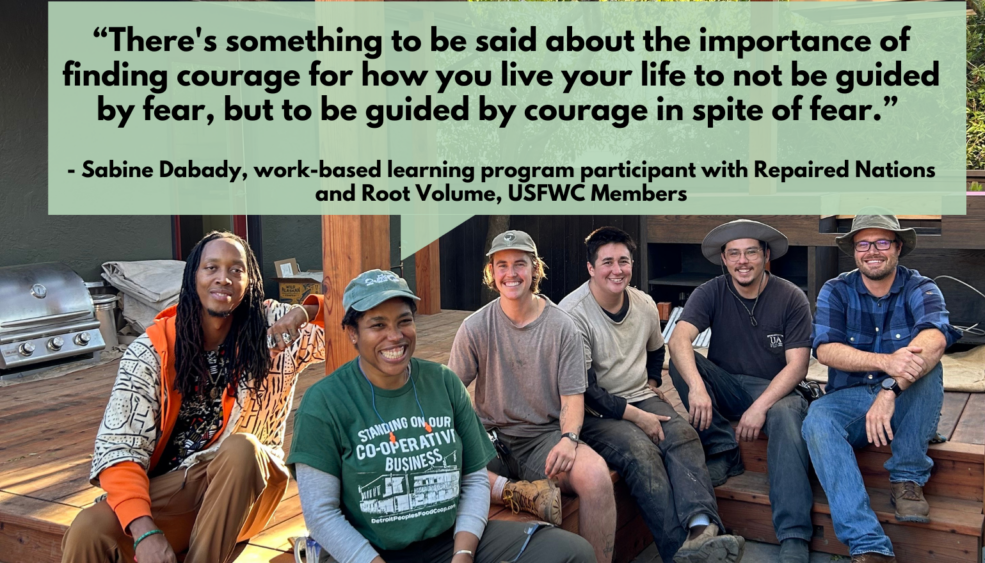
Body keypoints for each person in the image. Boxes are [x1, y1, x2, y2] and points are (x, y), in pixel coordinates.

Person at [287, 269, 596, 563]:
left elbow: (474, 480)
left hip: (447, 540)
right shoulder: (324, 402)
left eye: (404, 321)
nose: (395, 336)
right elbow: (321, 513)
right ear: (353, 333)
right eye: (378, 325)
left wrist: (463, 554)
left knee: (571, 552)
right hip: (364, 549)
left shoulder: (443, 383)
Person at [61, 231, 326, 563]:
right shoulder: (151, 351)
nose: (223, 278)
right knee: (89, 528)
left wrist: (306, 311)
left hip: (247, 487)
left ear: (250, 280)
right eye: (211, 267)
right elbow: (118, 450)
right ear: (192, 277)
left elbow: (355, 324)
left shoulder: (272, 328)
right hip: (178, 486)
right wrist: (145, 533)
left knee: (242, 448)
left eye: (236, 269)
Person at [560, 226, 745, 563]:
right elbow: (585, 390)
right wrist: (637, 416)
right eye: (607, 262)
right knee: (642, 455)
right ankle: (679, 554)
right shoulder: (572, 315)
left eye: (624, 261)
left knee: (683, 435)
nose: (617, 270)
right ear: (590, 268)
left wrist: (653, 383)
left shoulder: (643, 303)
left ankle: (702, 529)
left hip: (641, 396)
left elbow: (657, 350)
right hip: (593, 412)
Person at [449, 230, 618, 563]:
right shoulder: (474, 326)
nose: (511, 274)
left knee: (596, 476)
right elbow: (451, 391)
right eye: (502, 265)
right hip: (489, 439)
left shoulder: (562, 326)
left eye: (520, 264)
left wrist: (569, 439)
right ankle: (516, 493)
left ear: (535, 270)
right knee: (438, 465)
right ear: (491, 273)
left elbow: (572, 398)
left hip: (543, 439)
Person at [801, 215, 961, 563]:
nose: (872, 251)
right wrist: (886, 362)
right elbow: (826, 349)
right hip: (852, 399)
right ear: (854, 251)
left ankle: (907, 477)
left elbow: (935, 337)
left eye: (882, 242)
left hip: (907, 400)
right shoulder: (836, 289)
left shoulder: (922, 287)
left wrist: (890, 389)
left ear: (898, 248)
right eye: (863, 244)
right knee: (817, 419)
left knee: (928, 364)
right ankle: (868, 544)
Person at [667, 219, 815, 563]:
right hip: (729, 385)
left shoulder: (790, 296)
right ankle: (723, 448)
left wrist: (760, 406)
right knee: (682, 362)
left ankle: (794, 535)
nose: (742, 261)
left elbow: (798, 366)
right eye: (733, 253)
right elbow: (679, 338)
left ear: (766, 256)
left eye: (750, 252)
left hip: (778, 390)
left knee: (787, 417)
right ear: (724, 258)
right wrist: (699, 390)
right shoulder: (711, 291)